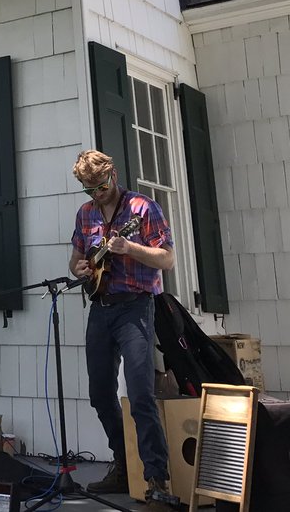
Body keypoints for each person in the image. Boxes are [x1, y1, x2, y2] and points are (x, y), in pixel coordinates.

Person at [68, 150, 175, 505]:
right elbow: (76, 258)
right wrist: (81, 268)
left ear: (113, 175)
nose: (97, 195)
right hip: (100, 307)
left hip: (136, 307)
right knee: (99, 393)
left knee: (140, 395)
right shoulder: (86, 214)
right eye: (89, 190)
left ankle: (157, 477)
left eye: (101, 186)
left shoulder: (143, 208)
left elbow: (167, 258)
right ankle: (124, 464)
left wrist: (129, 247)